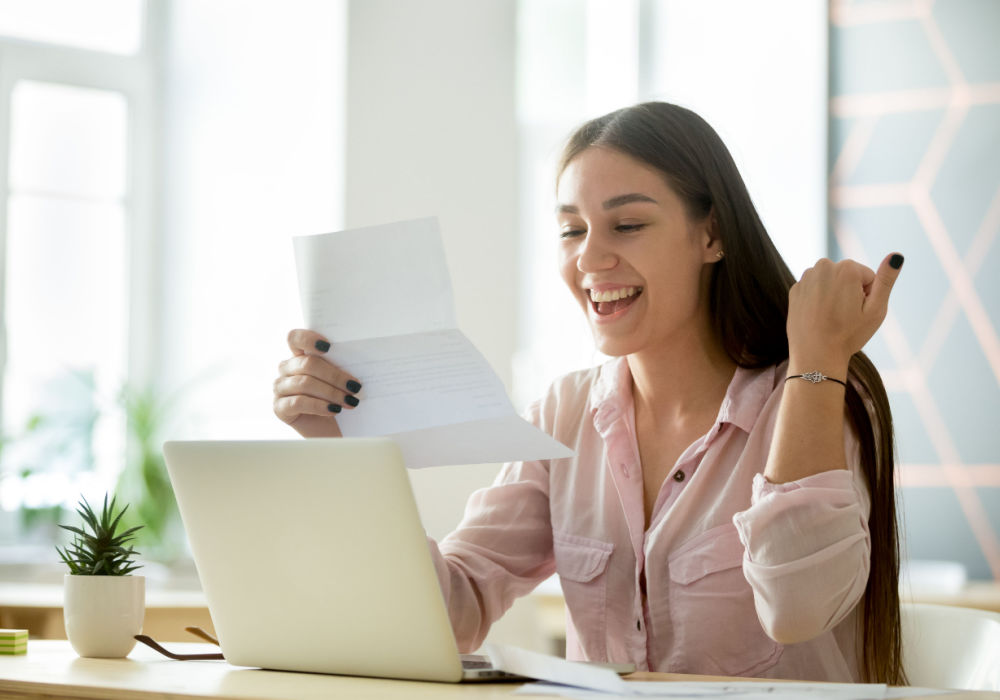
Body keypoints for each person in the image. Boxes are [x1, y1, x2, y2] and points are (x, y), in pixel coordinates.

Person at [272, 102, 905, 684]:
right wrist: (339, 449)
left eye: (626, 225)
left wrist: (818, 360)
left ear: (711, 236)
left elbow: (797, 609)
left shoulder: (815, 397)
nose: (589, 259)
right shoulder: (567, 414)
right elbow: (449, 614)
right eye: (572, 230)